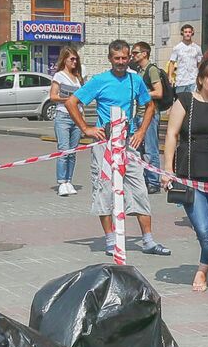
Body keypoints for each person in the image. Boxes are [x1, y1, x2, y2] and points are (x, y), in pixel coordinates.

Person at [65, 39, 171, 257]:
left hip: (128, 142)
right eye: (117, 59)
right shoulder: (100, 80)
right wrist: (86, 128)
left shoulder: (135, 79)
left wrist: (141, 131)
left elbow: (149, 105)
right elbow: (71, 103)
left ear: (129, 57)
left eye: (124, 58)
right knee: (104, 191)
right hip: (105, 144)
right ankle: (111, 239)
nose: (121, 62)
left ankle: (148, 240)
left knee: (139, 188)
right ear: (110, 59)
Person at [160, 55, 208, 293]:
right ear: (201, 79)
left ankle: (202, 271)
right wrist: (168, 169)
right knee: (203, 229)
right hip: (189, 174)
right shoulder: (185, 100)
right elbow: (172, 134)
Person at [48, 45, 85, 196]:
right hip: (63, 115)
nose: (74, 62)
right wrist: (68, 99)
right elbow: (53, 96)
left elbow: (81, 100)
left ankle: (69, 180)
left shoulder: (77, 78)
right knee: (64, 150)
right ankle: (61, 182)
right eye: (72, 59)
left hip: (76, 116)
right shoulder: (59, 76)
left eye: (76, 59)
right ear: (64, 60)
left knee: (73, 151)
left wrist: (83, 119)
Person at [133, 41, 167, 193]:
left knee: (151, 149)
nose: (133, 55)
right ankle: (145, 179)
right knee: (138, 148)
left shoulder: (151, 70)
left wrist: (142, 94)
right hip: (138, 114)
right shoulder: (139, 70)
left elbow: (159, 92)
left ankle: (154, 181)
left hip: (150, 114)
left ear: (144, 53)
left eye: (136, 52)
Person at [169, 23, 201, 97]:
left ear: (192, 33)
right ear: (182, 33)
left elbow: (199, 63)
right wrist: (170, 76)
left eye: (189, 32)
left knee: (193, 100)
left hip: (193, 80)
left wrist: (199, 75)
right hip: (181, 80)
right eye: (186, 32)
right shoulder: (177, 48)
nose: (187, 34)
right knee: (180, 101)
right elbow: (172, 62)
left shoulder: (197, 48)